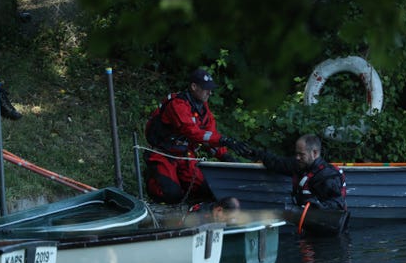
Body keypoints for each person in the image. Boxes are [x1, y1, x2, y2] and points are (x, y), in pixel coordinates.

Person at [144, 67, 249, 205]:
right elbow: (192, 132)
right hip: (164, 154)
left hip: (185, 155)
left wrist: (226, 157)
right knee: (171, 195)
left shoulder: (203, 109)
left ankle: (192, 202)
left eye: (211, 89)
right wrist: (224, 140)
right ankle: (153, 181)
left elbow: (209, 137)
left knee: (205, 188)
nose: (210, 92)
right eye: (206, 89)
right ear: (194, 87)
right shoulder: (178, 105)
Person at [248, 134, 347, 211]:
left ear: (315, 153)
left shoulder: (327, 176)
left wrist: (320, 206)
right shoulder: (299, 166)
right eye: (296, 154)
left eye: (301, 154)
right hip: (306, 224)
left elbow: (338, 203)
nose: (297, 158)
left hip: (326, 229)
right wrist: (255, 153)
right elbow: (277, 163)